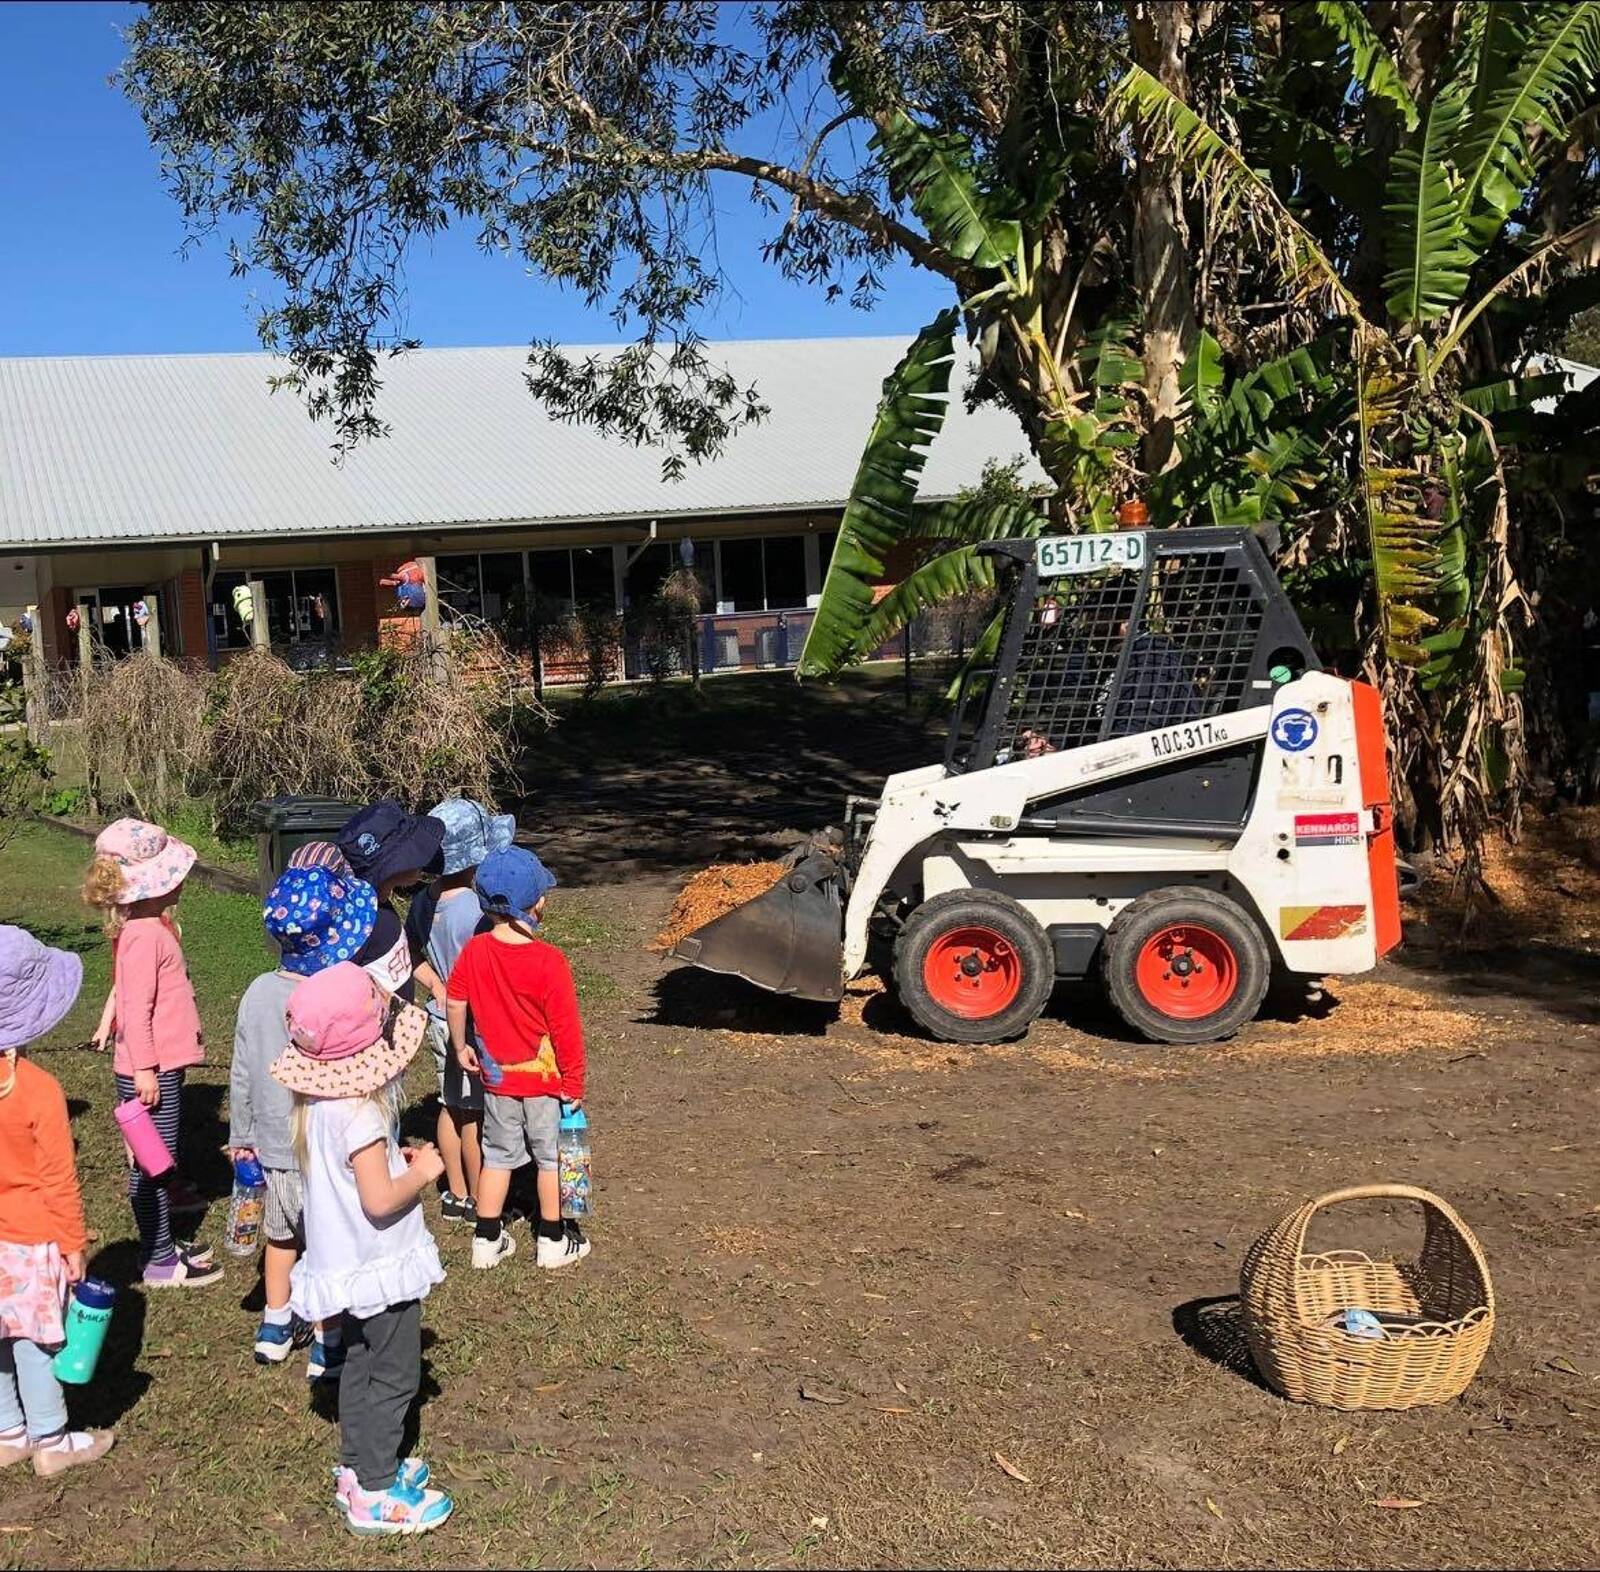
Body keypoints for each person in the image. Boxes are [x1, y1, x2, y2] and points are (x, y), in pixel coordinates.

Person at [272, 963, 451, 1536]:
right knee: (395, 1373)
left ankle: (359, 1461)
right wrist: (421, 1172)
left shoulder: (318, 1108)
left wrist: (395, 1159)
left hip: (345, 1268)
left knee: (357, 1360)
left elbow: (352, 1186)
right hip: (379, 1267)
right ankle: (375, 1489)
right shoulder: (363, 1114)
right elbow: (377, 1200)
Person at [230, 865, 377, 1379]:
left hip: (271, 1148)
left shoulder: (255, 993)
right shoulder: (338, 993)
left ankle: (274, 1325)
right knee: (326, 1244)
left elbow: (243, 1070)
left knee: (281, 1238)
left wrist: (240, 1137)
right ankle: (327, 1339)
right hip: (321, 1147)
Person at [81, 819, 221, 1288]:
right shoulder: (143, 936)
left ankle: (161, 1242)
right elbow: (135, 1009)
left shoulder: (149, 930)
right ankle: (160, 1259)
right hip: (150, 1072)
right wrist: (144, 1069)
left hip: (161, 1067)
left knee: (159, 1161)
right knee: (152, 1166)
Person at [0, 926, 115, 1477]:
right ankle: (50, 1439)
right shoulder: (39, 1090)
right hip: (31, 1236)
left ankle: (7, 1431)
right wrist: (73, 1246)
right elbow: (57, 1180)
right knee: (35, 1338)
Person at [447, 846, 589, 1272]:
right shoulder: (550, 962)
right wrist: (574, 1082)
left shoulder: (475, 951)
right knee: (550, 1160)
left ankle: (486, 1241)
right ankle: (551, 1239)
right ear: (538, 903)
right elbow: (566, 1029)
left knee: (498, 1156)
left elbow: (456, 1001)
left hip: (496, 1080)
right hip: (544, 1083)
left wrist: (460, 1045)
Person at [405, 799, 513, 1224]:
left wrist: (433, 982)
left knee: (450, 1106)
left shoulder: (422, 902)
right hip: (472, 1024)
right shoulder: (475, 911)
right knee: (474, 1116)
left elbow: (411, 951)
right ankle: (479, 1198)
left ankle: (454, 1193)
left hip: (438, 1018)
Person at [337, 803, 445, 1003]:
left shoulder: (382, 905)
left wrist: (433, 983)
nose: (422, 863)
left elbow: (398, 955)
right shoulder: (365, 925)